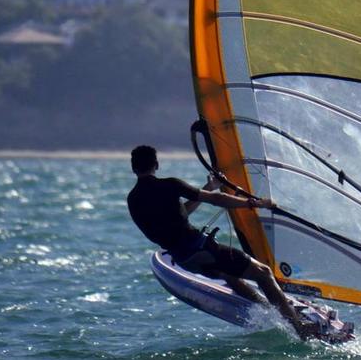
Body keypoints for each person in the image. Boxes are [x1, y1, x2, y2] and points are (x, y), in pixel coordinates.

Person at [126, 145, 315, 338]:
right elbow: (216, 200)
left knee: (230, 275)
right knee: (264, 273)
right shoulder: (170, 185)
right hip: (201, 250)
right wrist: (253, 203)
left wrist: (209, 187)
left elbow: (178, 216)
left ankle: (271, 309)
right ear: (156, 165)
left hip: (184, 259)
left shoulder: (132, 199)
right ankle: (299, 327)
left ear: (133, 168)